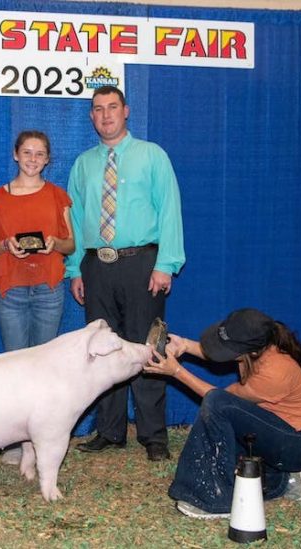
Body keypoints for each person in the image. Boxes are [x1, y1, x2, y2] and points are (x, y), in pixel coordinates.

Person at [67, 85, 185, 461]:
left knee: (148, 345)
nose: (105, 115)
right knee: (102, 348)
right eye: (98, 109)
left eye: (112, 107)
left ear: (126, 111)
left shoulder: (152, 156)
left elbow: (169, 209)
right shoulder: (83, 163)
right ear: (91, 116)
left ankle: (153, 435)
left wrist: (166, 264)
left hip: (141, 263)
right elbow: (72, 217)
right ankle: (110, 429)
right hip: (95, 265)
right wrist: (74, 268)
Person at [144, 308, 301, 519]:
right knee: (223, 448)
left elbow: (220, 400)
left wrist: (177, 371)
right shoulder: (255, 348)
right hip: (276, 429)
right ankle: (283, 480)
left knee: (217, 407)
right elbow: (221, 354)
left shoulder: (275, 372)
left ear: (252, 351)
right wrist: (184, 345)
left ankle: (217, 499)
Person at [0, 131, 75, 463]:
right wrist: (5, 245)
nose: (33, 159)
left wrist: (54, 243)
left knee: (45, 369)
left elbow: (70, 243)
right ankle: (16, 441)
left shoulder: (57, 196)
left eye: (40, 154)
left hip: (49, 287)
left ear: (47, 159)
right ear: (15, 155)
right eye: (27, 152)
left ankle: (41, 438)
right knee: (15, 366)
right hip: (12, 288)